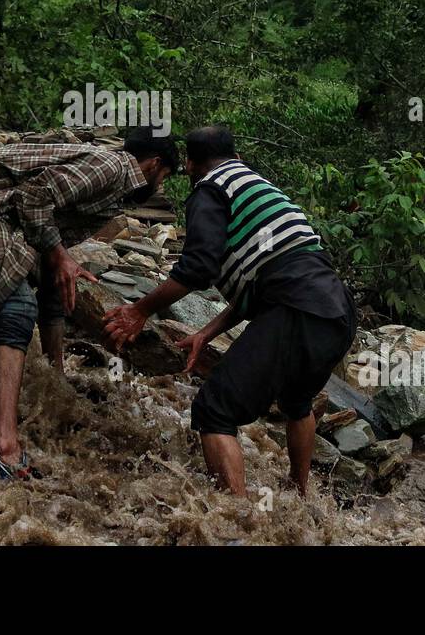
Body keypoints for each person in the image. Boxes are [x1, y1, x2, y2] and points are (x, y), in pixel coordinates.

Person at [103, 125, 356, 496]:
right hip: (337, 312)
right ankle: (300, 494)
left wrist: (139, 310)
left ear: (190, 164)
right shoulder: (256, 184)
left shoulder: (210, 190)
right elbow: (264, 281)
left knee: (213, 410)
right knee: (295, 401)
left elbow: (197, 269)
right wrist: (206, 332)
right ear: (235, 156)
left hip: (296, 310)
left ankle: (236, 523)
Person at [0, 128, 179, 481]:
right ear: (154, 164)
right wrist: (62, 256)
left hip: (7, 210)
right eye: (165, 177)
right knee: (18, 306)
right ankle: (2, 445)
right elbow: (34, 196)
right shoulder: (111, 167)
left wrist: (60, 261)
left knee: (56, 286)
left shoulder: (115, 177)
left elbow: (47, 210)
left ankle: (56, 383)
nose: (159, 187)